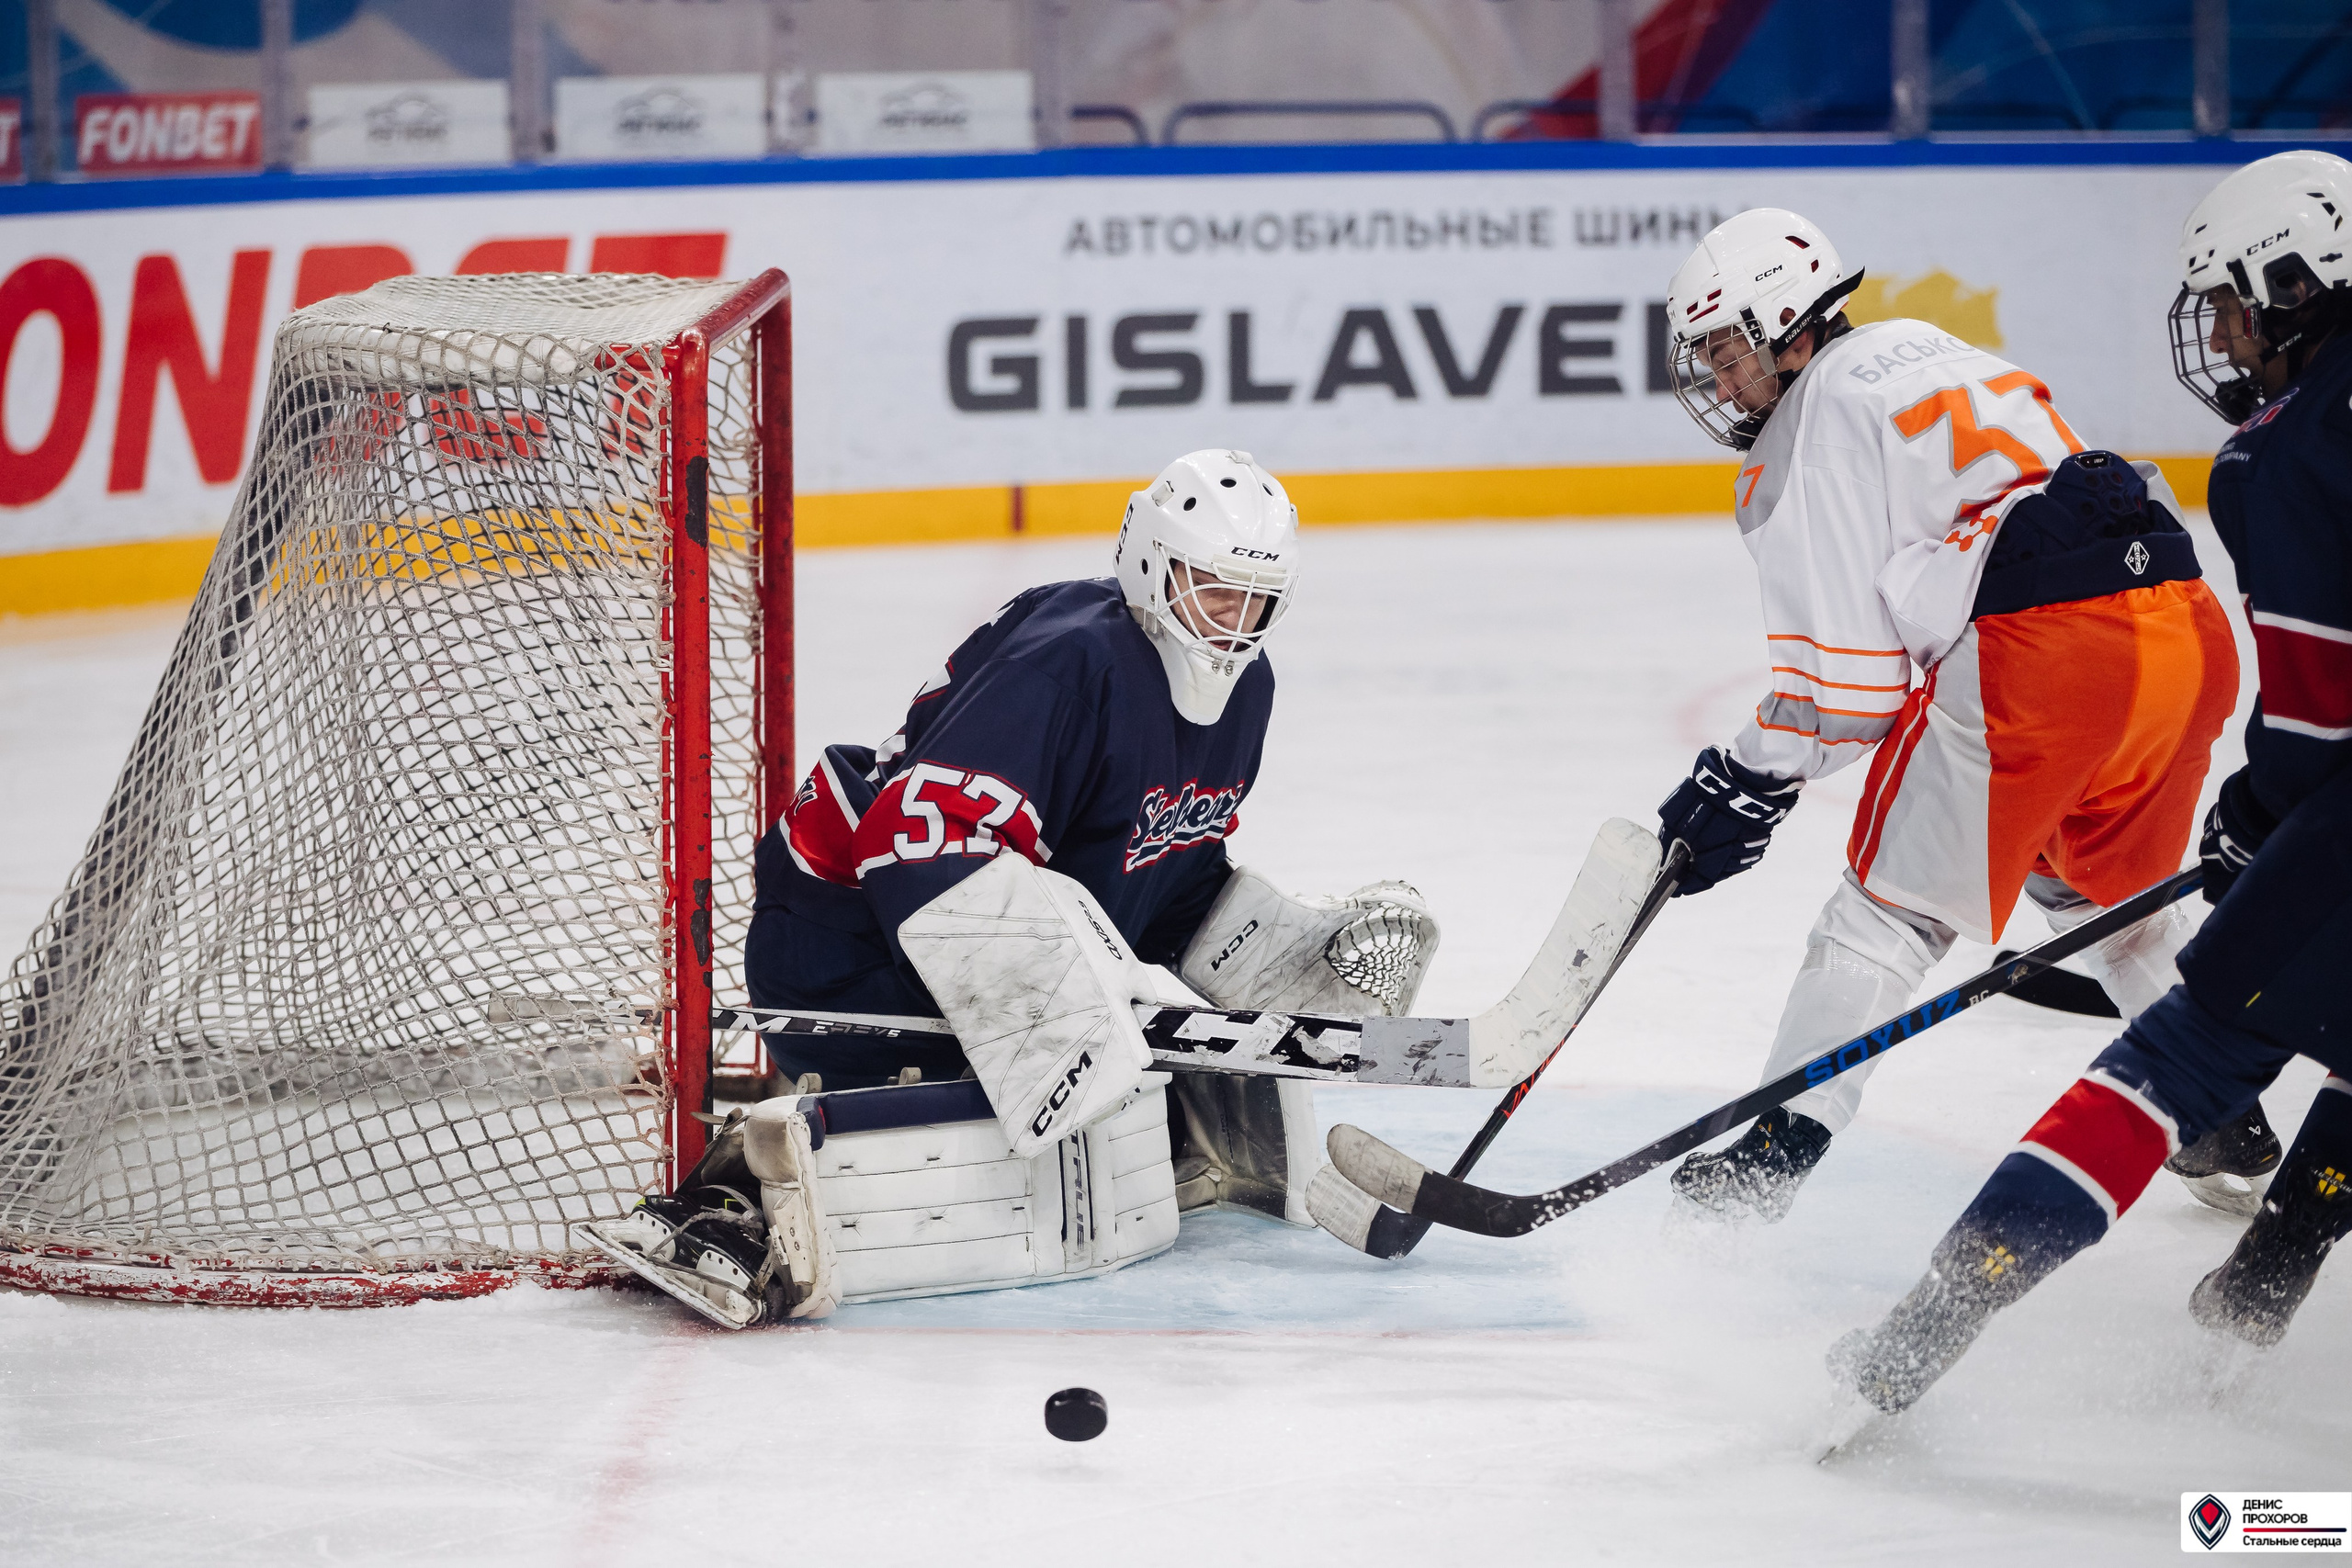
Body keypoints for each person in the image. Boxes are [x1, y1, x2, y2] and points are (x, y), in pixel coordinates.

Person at [586, 449, 1442, 1324]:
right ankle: (729, 1198)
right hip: (846, 948)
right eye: (1211, 589)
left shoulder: (1246, 686)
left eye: (1256, 600)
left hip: (984, 924)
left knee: (1127, 1088)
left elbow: (1162, 865)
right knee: (1068, 1088)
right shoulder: (1070, 660)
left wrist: (1272, 954)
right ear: (1150, 562)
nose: (1233, 621)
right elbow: (912, 841)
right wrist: (1065, 998)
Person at [1831, 150, 2352, 1416]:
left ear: (2298, 280)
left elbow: (2323, 729)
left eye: (2234, 299)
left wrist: (2257, 816)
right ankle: (2262, 1283)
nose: (2224, 331)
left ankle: (1914, 1338)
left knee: (2173, 1062)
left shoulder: (2282, 456)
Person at [1652, 209, 2240, 1224]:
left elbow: (1844, 697)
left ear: (1789, 328)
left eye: (1723, 347)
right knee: (2099, 890)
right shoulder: (1924, 349)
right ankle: (2225, 1122)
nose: (1714, 376)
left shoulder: (1803, 432)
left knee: (1883, 913)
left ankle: (1774, 1152)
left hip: (2051, 657)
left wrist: (1743, 777)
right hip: (2182, 624)